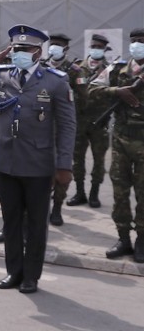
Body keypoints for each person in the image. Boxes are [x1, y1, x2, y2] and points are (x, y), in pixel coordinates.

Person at [0, 24, 75, 294]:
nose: (18, 53)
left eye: (25, 49)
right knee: (10, 220)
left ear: (38, 51)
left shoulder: (55, 80)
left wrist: (64, 165)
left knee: (35, 223)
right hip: (6, 160)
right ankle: (14, 271)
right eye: (15, 48)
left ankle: (31, 276)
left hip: (38, 163)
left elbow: (68, 126)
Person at [89, 28, 144, 263]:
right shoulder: (118, 68)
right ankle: (123, 238)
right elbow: (91, 89)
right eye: (134, 41)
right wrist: (116, 91)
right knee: (120, 191)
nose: (136, 45)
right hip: (121, 139)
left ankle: (142, 240)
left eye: (141, 42)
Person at [66, 34, 112, 209]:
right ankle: (79, 192)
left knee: (99, 160)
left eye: (100, 47)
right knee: (77, 159)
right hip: (79, 121)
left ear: (104, 49)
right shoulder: (77, 69)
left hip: (99, 123)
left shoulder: (110, 70)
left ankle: (94, 193)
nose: (96, 49)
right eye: (94, 46)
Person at [42, 33, 82, 225]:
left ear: (66, 49)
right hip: (43, 126)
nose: (54, 48)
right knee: (41, 172)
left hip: (64, 126)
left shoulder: (74, 70)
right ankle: (42, 207)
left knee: (62, 169)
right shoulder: (41, 67)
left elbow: (83, 98)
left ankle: (57, 207)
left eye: (58, 45)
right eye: (52, 44)